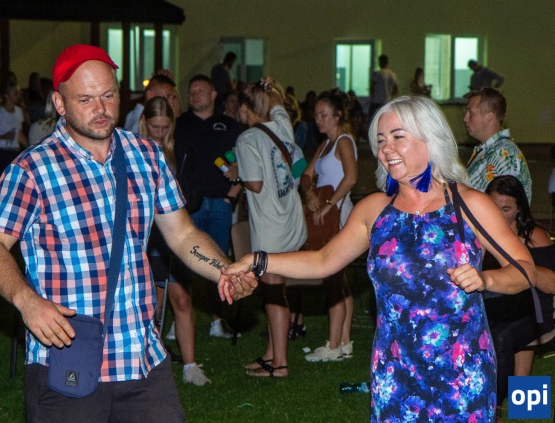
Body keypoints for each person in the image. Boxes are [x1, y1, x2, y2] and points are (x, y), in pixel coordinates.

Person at [0, 44, 256, 422]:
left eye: (108, 96)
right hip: (68, 358)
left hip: (141, 359)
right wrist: (26, 300)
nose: (101, 108)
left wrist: (223, 268)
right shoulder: (31, 170)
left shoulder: (146, 156)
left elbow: (182, 234)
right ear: (59, 103)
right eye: (86, 99)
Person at [222, 95, 537, 420]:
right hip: (395, 371)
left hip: (462, 372)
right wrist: (258, 260)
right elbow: (322, 261)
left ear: (430, 138)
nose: (387, 148)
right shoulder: (374, 211)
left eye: (398, 136)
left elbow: (525, 269)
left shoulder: (469, 205)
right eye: (381, 140)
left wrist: (486, 279)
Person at [235, 78, 307, 377]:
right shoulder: (282, 125)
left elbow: (255, 183)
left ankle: (280, 364)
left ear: (244, 108)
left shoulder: (246, 139)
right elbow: (278, 106)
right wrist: (274, 88)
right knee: (274, 291)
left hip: (269, 226)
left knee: (274, 292)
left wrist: (237, 173)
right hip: (291, 219)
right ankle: (271, 354)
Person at [139, 96, 211, 386]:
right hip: (146, 241)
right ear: (144, 123)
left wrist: (179, 192)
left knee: (182, 299)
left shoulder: (181, 151)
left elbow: (195, 195)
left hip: (175, 238)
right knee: (150, 306)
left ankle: (190, 366)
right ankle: (148, 364)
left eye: (165, 127)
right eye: (154, 127)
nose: (159, 133)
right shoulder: (131, 151)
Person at [174, 74, 243, 339]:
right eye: (191, 91)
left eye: (200, 90)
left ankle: (217, 319)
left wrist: (231, 196)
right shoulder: (180, 124)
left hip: (220, 204)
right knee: (184, 263)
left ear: (214, 95)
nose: (195, 95)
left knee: (218, 263)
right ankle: (181, 315)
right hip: (188, 205)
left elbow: (244, 162)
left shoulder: (228, 125)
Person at [483, 175, 555, 421]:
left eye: (506, 209)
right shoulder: (478, 232)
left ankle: (494, 407)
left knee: (502, 336)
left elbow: (551, 283)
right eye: (494, 207)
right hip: (498, 306)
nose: (499, 214)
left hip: (536, 309)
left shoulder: (535, 236)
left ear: (519, 209)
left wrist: (519, 263)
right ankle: (522, 404)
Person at [297, 89, 357, 362]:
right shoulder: (324, 145)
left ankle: (333, 346)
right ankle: (344, 341)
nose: (318, 119)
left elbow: (351, 178)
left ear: (337, 115)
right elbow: (305, 175)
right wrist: (310, 193)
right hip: (325, 211)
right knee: (340, 282)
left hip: (338, 214)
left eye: (323, 114)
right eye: (316, 115)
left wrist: (329, 204)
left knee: (333, 278)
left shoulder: (343, 141)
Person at [464, 87, 532, 202]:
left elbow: (503, 207)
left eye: (471, 113)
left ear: (489, 116)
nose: (465, 118)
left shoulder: (504, 155)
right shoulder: (490, 150)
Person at [0, 81, 29, 179]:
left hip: (14, 152)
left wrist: (29, 147)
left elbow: (19, 133)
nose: (18, 96)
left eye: (19, 93)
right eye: (15, 93)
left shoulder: (19, 111)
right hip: (1, 153)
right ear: (7, 96)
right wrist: (3, 136)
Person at [369, 54, 398, 121]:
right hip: (387, 101)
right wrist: (391, 98)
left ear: (380, 62)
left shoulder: (377, 73)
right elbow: (395, 89)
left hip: (376, 101)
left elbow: (372, 87)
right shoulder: (392, 74)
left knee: (373, 120)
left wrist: (372, 96)